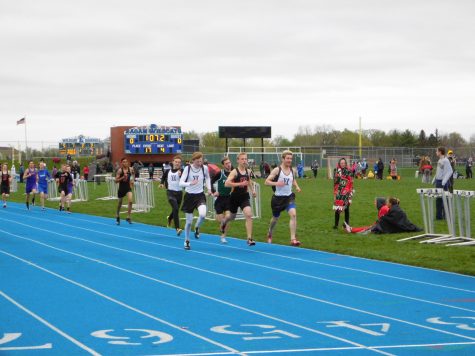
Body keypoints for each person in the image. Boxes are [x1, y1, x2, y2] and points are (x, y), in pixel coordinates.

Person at [265, 150, 302, 246]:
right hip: (277, 199)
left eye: (291, 158)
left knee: (293, 214)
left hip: (289, 197)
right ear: (283, 159)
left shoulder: (292, 170)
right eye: (287, 158)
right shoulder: (277, 170)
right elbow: (266, 182)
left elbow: (293, 180)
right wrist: (277, 183)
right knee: (275, 219)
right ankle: (270, 232)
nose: (289, 160)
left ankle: (293, 239)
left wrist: (297, 186)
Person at [221, 152, 257, 246]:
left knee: (249, 214)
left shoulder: (248, 171)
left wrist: (252, 190)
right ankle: (224, 221)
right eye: (242, 159)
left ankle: (249, 238)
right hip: (234, 197)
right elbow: (226, 183)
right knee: (231, 217)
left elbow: (248, 181)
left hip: (244, 196)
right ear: (238, 160)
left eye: (245, 159)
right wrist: (239, 184)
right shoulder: (234, 172)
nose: (244, 161)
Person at [179, 152, 211, 250]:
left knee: (202, 214)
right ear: (193, 160)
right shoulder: (187, 169)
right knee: (189, 222)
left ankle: (197, 227)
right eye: (197, 161)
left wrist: (209, 188)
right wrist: (190, 183)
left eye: (201, 161)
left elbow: (208, 178)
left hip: (200, 195)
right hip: (189, 197)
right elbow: (181, 183)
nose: (199, 163)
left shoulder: (204, 168)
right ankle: (187, 240)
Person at [211, 157, 233, 243]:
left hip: (229, 199)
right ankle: (222, 228)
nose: (228, 164)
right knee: (221, 220)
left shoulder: (233, 173)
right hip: (220, 199)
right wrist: (214, 191)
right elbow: (211, 181)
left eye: (229, 162)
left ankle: (223, 236)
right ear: (223, 165)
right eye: (226, 163)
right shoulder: (220, 173)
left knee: (228, 218)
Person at [160, 155, 183, 236]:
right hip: (170, 193)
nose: (177, 163)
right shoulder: (167, 171)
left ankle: (170, 218)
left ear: (181, 164)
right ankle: (177, 228)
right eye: (176, 162)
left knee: (175, 210)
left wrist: (181, 175)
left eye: (179, 162)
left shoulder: (182, 171)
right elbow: (163, 178)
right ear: (173, 162)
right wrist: (161, 184)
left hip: (179, 193)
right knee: (176, 209)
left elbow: (186, 180)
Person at [333, 158, 353, 229]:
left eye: (344, 163)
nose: (343, 164)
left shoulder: (349, 171)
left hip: (346, 192)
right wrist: (335, 193)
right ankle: (336, 225)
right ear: (339, 163)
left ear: (346, 163)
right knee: (337, 209)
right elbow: (335, 183)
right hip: (338, 192)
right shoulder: (336, 171)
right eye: (341, 163)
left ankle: (346, 225)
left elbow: (351, 182)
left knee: (346, 209)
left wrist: (350, 193)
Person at [433, 147, 453, 220]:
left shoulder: (446, 160)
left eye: (437, 151)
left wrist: (444, 181)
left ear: (440, 152)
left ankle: (446, 216)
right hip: (438, 182)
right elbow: (439, 171)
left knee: (445, 199)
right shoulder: (439, 160)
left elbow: (450, 171)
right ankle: (439, 217)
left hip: (443, 182)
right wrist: (434, 179)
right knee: (438, 199)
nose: (436, 152)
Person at [115, 157, 134, 225]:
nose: (125, 163)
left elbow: (133, 174)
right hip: (121, 189)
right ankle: (117, 215)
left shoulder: (131, 169)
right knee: (120, 203)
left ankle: (128, 217)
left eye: (126, 161)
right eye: (124, 162)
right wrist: (123, 177)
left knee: (131, 201)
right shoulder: (120, 171)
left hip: (128, 188)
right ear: (121, 163)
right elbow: (116, 181)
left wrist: (132, 181)